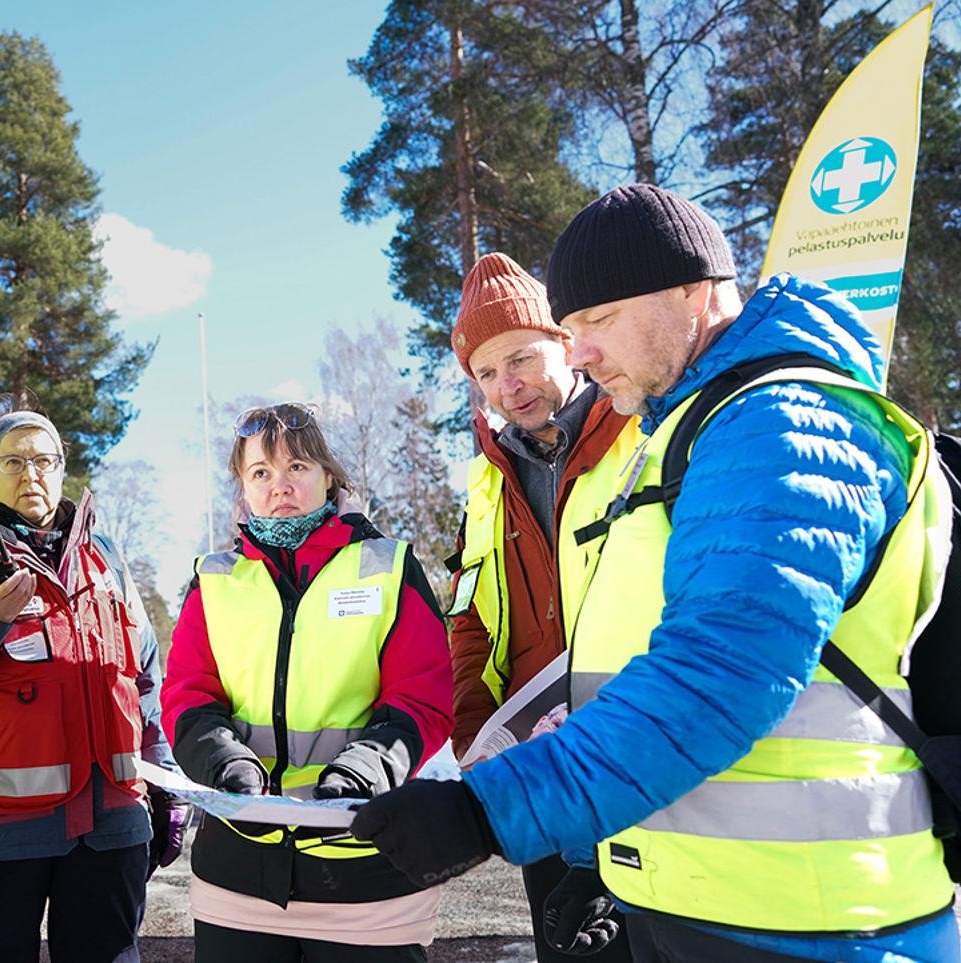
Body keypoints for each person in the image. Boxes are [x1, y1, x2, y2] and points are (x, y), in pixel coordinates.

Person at [352, 185, 960, 962]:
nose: (580, 352)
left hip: (817, 918)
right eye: (571, 328)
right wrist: (595, 850)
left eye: (598, 320)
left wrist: (488, 811)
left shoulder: (782, 424)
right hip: (703, 895)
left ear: (693, 292)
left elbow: (718, 677)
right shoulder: (689, 428)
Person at [160, 402, 454, 963]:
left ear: (328, 476)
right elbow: (187, 694)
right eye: (261, 472)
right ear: (243, 487)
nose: (280, 486)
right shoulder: (215, 580)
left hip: (364, 863)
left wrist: (365, 768)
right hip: (237, 871)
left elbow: (424, 696)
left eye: (296, 466)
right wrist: (222, 761)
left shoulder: (387, 568)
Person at [0, 397, 184, 963]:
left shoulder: (104, 559)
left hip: (111, 824)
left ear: (62, 468)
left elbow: (144, 677)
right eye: (13, 461)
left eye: (44, 460)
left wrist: (165, 779)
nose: (31, 474)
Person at [445, 253, 637, 961]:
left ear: (567, 342)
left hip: (643, 754)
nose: (508, 385)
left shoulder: (641, 437)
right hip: (543, 767)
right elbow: (470, 620)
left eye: (521, 358)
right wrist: (474, 732)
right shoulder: (485, 488)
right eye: (487, 372)